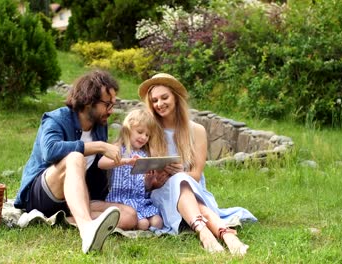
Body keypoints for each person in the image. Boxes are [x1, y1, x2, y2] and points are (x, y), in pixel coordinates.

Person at [14, 70, 138, 254]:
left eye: (113, 104)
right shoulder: (56, 118)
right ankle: (87, 229)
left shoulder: (99, 126)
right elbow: (50, 151)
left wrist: (120, 162)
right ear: (88, 100)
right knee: (75, 157)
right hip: (42, 195)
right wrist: (99, 146)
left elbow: (95, 167)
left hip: (73, 199)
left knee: (129, 216)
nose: (111, 110)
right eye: (107, 104)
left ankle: (61, 220)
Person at [138, 73, 257, 256]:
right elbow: (145, 182)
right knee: (181, 183)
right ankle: (225, 235)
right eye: (154, 100)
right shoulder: (150, 131)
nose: (159, 104)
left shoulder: (197, 130)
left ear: (176, 98)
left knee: (181, 180)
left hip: (193, 188)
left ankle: (206, 233)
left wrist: (181, 172)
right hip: (161, 194)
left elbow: (196, 174)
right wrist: (154, 181)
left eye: (164, 97)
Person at [98, 108, 164, 231]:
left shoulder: (145, 154)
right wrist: (126, 161)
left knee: (158, 222)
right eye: (140, 132)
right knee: (143, 224)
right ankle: (137, 226)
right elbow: (101, 163)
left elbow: (144, 187)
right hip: (121, 200)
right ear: (128, 129)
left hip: (139, 200)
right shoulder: (118, 148)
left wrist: (149, 181)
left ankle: (147, 231)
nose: (144, 137)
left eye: (147, 135)